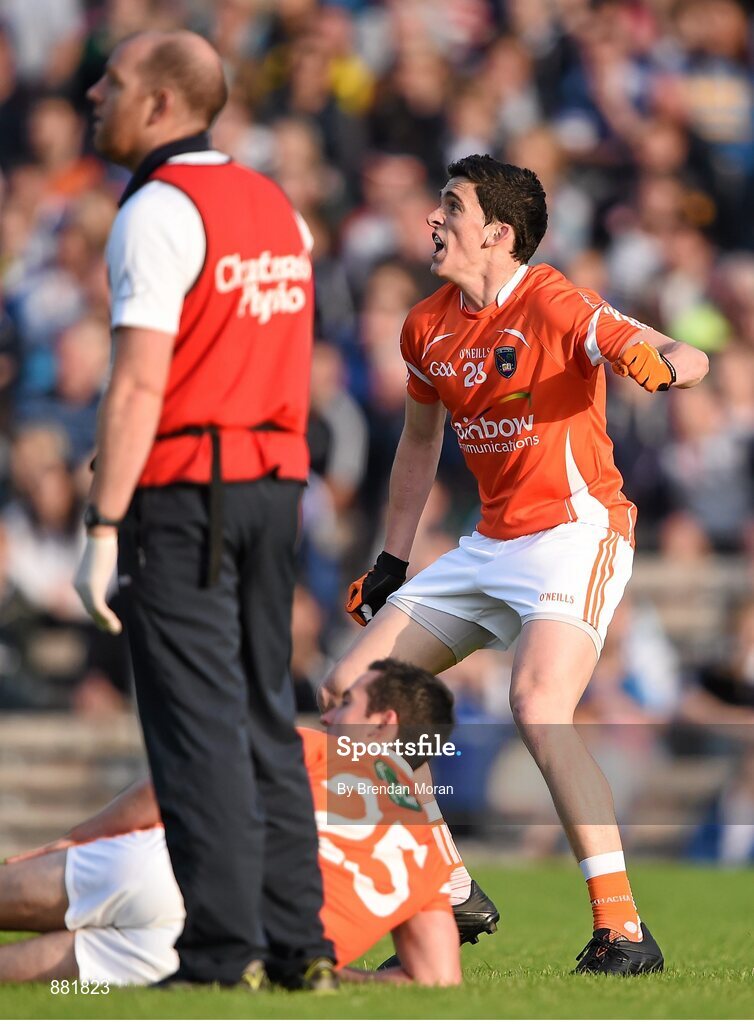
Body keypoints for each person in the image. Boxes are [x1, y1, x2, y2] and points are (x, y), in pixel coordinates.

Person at [322, 154, 709, 975]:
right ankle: (452, 887)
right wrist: (392, 559)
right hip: (489, 543)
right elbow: (418, 446)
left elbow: (673, 351)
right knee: (351, 695)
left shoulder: (555, 299)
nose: (434, 220)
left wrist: (668, 365)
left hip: (576, 531)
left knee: (538, 704)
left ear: (497, 234)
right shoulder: (425, 325)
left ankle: (623, 932)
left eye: (450, 207)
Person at [71, 30, 334, 989]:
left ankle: (222, 955)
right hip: (276, 484)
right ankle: (299, 945)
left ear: (160, 105)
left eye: (116, 81)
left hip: (191, 491)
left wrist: (102, 527)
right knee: (268, 712)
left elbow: (140, 385)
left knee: (197, 724)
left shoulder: (156, 209)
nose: (95, 91)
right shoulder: (277, 206)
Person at [0, 661, 462, 988]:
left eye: (346, 703)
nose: (328, 715)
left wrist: (81, 835)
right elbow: (438, 980)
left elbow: (188, 780)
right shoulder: (435, 857)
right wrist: (337, 971)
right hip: (235, 953)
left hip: (180, 868)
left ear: (382, 724)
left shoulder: (335, 754)